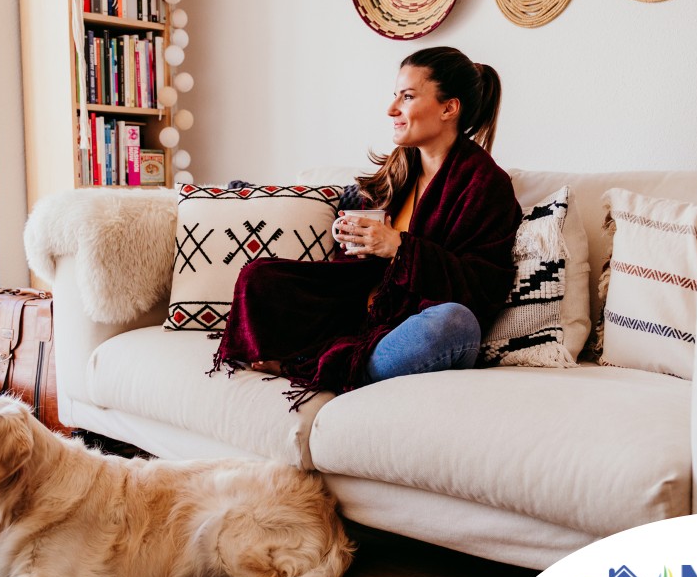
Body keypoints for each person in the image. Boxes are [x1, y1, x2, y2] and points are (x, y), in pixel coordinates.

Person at [211, 46, 523, 409]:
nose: (391, 110)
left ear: (448, 108)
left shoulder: (485, 184)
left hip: (418, 328)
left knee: (454, 323)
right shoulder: (398, 171)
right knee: (260, 276)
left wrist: (399, 248)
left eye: (407, 97)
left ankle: (327, 368)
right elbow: (364, 270)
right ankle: (329, 360)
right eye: (395, 96)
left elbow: (482, 287)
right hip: (363, 314)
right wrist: (356, 244)